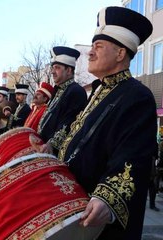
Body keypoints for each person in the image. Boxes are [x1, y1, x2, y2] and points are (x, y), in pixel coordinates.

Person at [37, 7, 155, 239]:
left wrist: (107, 198)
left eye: (97, 47)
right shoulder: (99, 91)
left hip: (98, 221)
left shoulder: (138, 96)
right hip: (75, 203)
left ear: (120, 53)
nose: (90, 53)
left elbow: (133, 156)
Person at [36, 46, 87, 155]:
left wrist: (51, 144)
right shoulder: (58, 90)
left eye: (57, 68)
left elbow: (69, 122)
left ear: (69, 70)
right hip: (43, 148)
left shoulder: (76, 91)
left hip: (56, 153)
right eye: (52, 68)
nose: (53, 72)